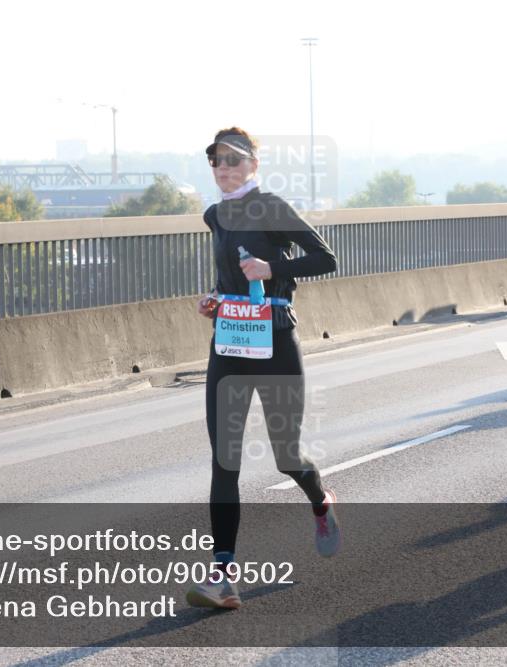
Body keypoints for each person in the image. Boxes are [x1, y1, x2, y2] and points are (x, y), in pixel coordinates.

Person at [187, 127, 340, 610]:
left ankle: (320, 500)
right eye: (216, 160)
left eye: (234, 160)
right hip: (230, 345)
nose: (224, 168)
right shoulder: (215, 215)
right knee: (223, 459)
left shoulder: (272, 207)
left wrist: (273, 271)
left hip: (274, 342)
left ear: (253, 164)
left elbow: (325, 258)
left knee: (286, 456)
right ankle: (223, 578)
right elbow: (230, 274)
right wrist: (216, 299)